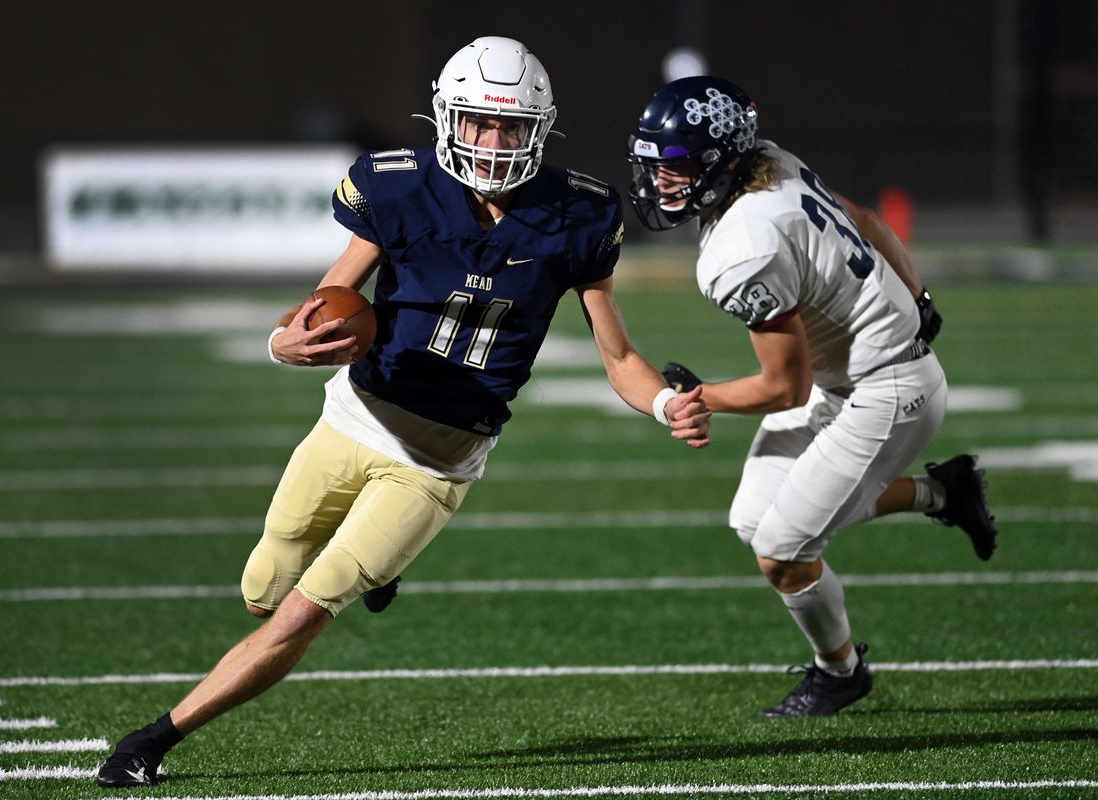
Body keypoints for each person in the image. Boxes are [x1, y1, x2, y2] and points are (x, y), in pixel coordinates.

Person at [95, 36, 711, 788]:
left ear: (538, 131)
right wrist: (282, 343)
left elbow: (619, 357)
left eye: (510, 127)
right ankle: (373, 572)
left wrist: (663, 404)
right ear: (447, 118)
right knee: (262, 592)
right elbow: (325, 306)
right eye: (479, 123)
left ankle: (154, 740)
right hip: (353, 416)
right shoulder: (396, 187)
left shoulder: (579, 214)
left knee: (303, 616)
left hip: (438, 463)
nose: (492, 142)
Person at [626, 76, 997, 717]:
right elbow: (866, 219)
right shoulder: (770, 164)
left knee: (783, 552)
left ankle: (840, 672)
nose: (661, 180)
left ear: (719, 161)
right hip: (850, 377)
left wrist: (698, 398)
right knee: (753, 521)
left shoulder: (742, 245)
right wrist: (918, 296)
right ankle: (946, 492)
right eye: (655, 163)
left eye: (678, 165)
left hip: (888, 390)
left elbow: (782, 386)